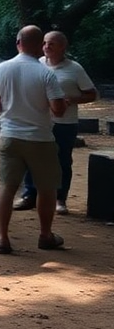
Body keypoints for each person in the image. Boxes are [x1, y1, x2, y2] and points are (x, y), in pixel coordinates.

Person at [0, 26, 66, 254]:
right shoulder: (46, 73)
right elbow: (58, 109)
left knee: (6, 187)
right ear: (40, 44)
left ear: (18, 42)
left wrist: (9, 111)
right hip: (40, 137)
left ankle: (3, 238)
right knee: (46, 188)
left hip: (10, 134)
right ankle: (45, 235)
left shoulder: (2, 68)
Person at [14, 31, 98, 214]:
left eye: (51, 43)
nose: (46, 47)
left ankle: (60, 198)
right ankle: (30, 194)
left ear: (62, 46)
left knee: (62, 160)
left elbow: (92, 94)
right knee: (32, 157)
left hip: (64, 123)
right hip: (39, 120)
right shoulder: (37, 64)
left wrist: (71, 99)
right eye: (44, 43)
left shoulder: (74, 68)